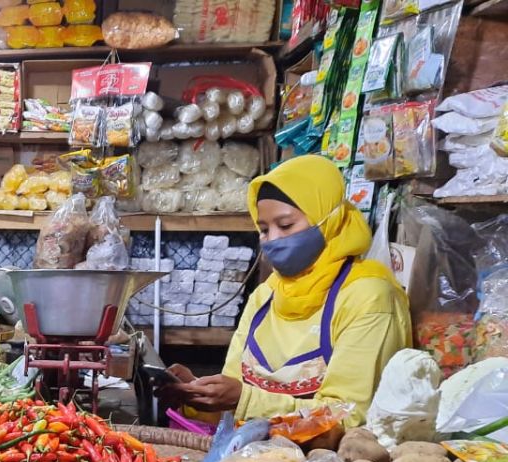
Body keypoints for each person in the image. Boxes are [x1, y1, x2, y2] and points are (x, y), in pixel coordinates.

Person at [160, 155, 411, 426]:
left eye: (287, 225)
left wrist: (244, 400)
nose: (273, 240)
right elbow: (234, 398)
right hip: (251, 456)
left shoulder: (368, 297)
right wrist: (198, 394)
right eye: (264, 229)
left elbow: (350, 415)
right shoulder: (265, 296)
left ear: (329, 219)